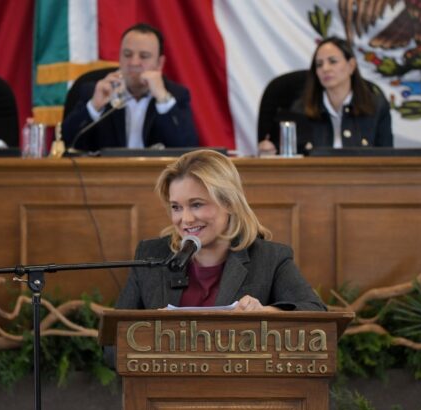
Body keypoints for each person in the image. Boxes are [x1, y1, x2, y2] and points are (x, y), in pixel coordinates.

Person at [115, 149, 326, 312]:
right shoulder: (151, 255)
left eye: (197, 204)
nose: (185, 219)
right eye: (176, 207)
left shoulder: (270, 259)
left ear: (230, 203)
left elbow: (316, 315)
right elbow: (113, 341)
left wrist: (264, 313)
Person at [62, 23, 198, 151]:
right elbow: (66, 142)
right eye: (127, 54)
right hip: (107, 168)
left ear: (159, 63)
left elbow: (187, 149)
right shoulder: (96, 91)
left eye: (144, 56)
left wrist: (163, 100)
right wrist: (94, 106)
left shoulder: (175, 95)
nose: (134, 62)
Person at [259, 36, 393, 155]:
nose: (325, 68)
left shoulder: (375, 106)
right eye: (319, 64)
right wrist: (271, 151)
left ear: (351, 65)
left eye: (332, 61)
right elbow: (289, 157)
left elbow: (387, 160)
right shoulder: (300, 109)